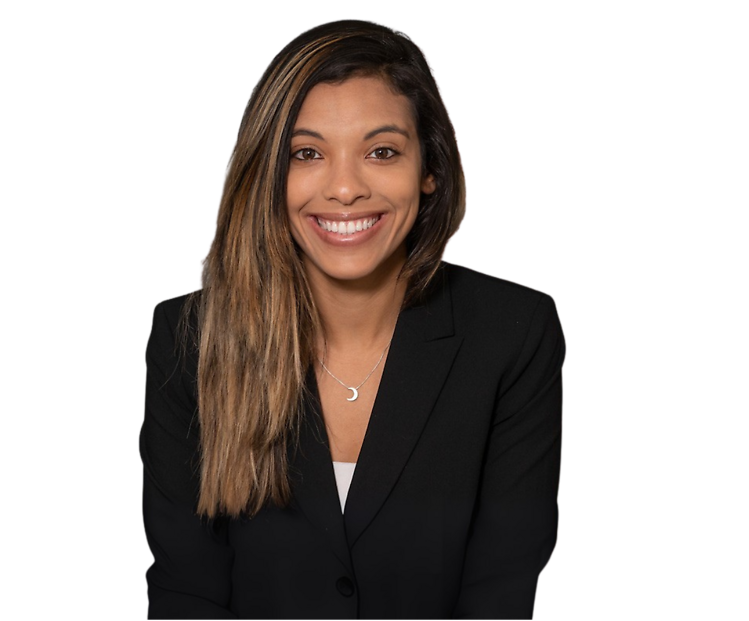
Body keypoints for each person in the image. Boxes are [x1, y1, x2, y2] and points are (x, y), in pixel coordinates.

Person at [141, 18, 565, 620]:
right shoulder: (190, 339)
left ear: (430, 171)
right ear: (270, 176)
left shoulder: (513, 333)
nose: (344, 188)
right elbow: (188, 589)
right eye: (306, 153)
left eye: (382, 151)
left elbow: (501, 587)